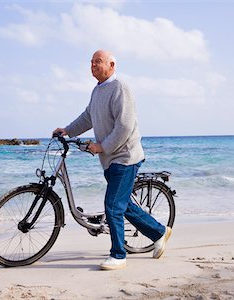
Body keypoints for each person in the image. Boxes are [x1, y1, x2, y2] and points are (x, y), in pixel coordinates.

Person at [53, 49, 172, 270]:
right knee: (122, 203)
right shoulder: (97, 90)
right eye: (91, 62)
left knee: (112, 205)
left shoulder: (120, 88)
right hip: (110, 158)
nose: (93, 65)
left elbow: (125, 126)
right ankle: (159, 232)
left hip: (125, 156)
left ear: (112, 65)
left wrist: (102, 146)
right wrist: (67, 131)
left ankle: (118, 255)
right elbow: (88, 117)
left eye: (98, 62)